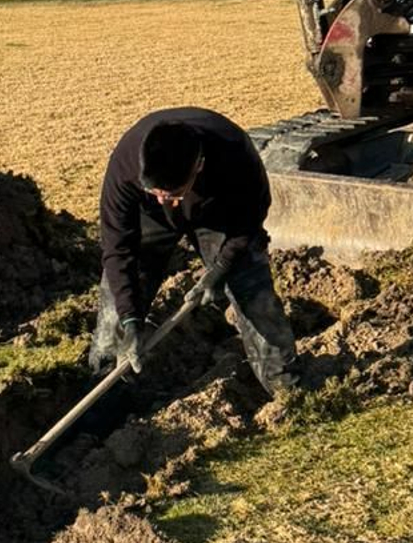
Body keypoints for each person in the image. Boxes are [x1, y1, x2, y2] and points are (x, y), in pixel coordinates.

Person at [91, 107, 297, 396]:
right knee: (116, 308)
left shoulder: (234, 154)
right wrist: (130, 318)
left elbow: (249, 220)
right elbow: (117, 248)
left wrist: (220, 270)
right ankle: (104, 399)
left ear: (198, 166)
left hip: (220, 214)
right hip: (149, 217)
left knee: (251, 288)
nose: (168, 202)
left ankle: (285, 390)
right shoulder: (125, 166)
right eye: (158, 193)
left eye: (172, 194)